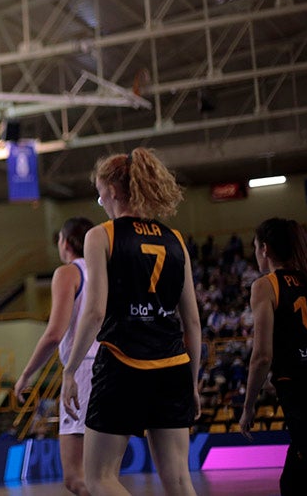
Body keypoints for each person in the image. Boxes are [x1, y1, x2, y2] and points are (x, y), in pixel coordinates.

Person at [62, 148, 201, 496]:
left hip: (123, 363)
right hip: (173, 366)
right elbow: (193, 323)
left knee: (100, 478)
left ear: (111, 190)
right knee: (180, 479)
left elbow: (94, 313)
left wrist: (69, 370)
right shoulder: (175, 240)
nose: (101, 202)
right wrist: (193, 383)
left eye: (99, 195)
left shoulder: (102, 235)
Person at [13, 217, 95, 495]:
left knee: (76, 478)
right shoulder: (107, 271)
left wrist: (26, 374)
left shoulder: (69, 273)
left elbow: (54, 334)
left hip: (83, 371)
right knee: (104, 474)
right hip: (116, 367)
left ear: (67, 242)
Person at [239, 218, 307, 496]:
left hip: (300, 390)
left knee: (294, 482)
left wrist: (249, 406)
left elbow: (261, 356)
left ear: (265, 249)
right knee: (293, 481)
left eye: (256, 246)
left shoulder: (266, 286)